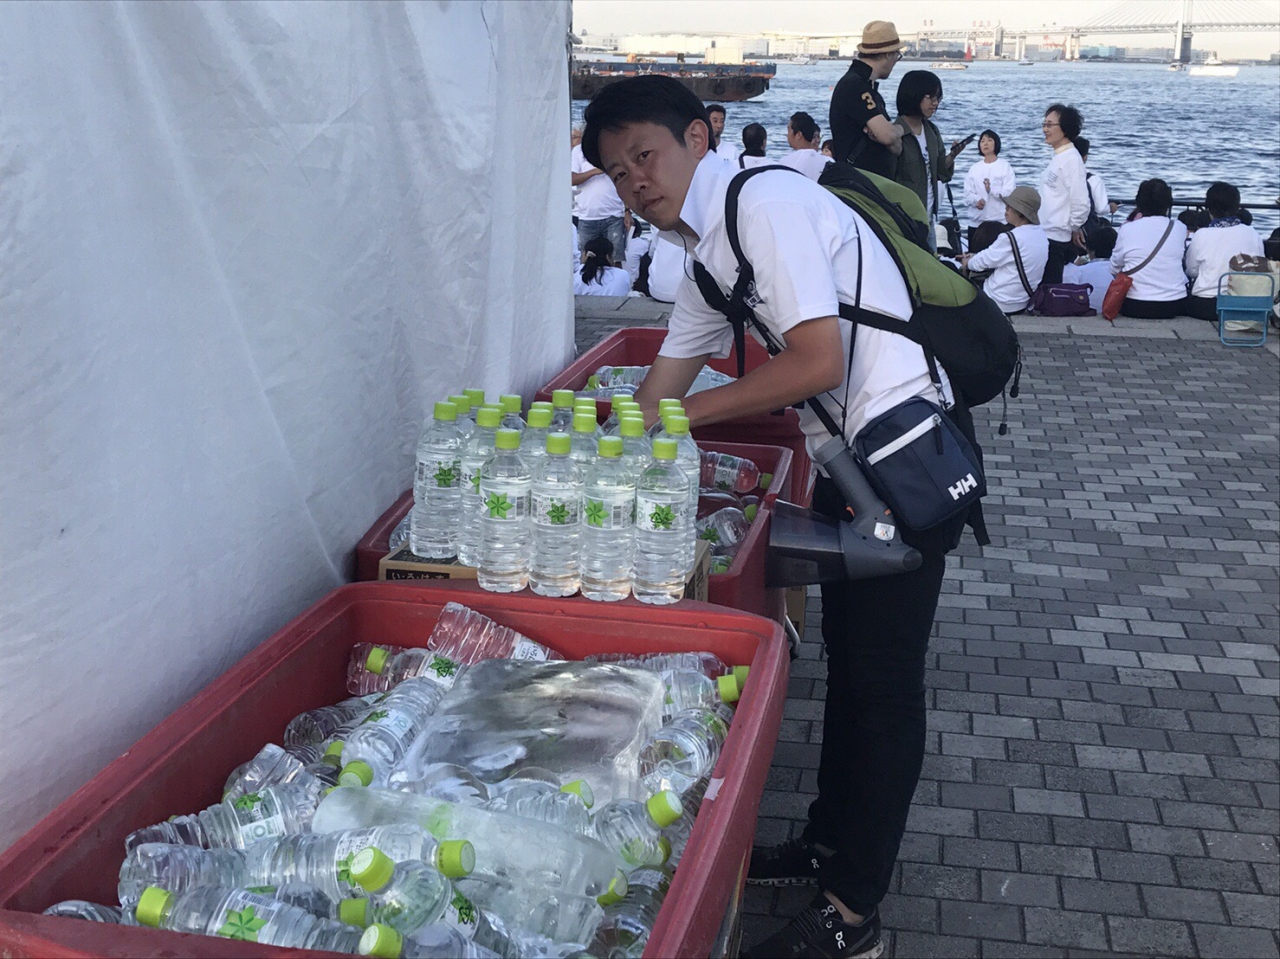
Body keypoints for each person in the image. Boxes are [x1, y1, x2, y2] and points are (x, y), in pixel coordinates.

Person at [583, 73, 971, 959]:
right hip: (846, 460)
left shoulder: (764, 205)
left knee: (883, 685)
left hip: (905, 451)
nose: (635, 182)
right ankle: (826, 842)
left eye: (644, 155)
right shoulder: (705, 254)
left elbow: (815, 361)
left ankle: (854, 912)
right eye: (617, 172)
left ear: (698, 137)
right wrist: (597, 458)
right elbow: (660, 389)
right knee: (849, 666)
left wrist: (680, 419)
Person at [890, 70, 966, 232]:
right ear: (914, 95)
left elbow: (939, 172)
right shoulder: (894, 133)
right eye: (931, 97)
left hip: (929, 216)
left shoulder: (931, 131)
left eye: (938, 98)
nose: (935, 103)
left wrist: (952, 155)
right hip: (904, 219)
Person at [828, 21, 906, 176]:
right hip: (858, 182)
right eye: (897, 56)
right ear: (888, 54)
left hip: (867, 181)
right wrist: (900, 129)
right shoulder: (855, 86)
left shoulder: (866, 87)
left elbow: (897, 147)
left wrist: (892, 133)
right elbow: (888, 136)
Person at [960, 186, 1048, 315]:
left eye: (1010, 206)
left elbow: (981, 262)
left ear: (1020, 213)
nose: (1006, 209)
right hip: (1023, 301)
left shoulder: (1010, 238)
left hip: (999, 300)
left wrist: (967, 262)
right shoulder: (1041, 235)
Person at [1184, 181, 1266, 321]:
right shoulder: (1252, 232)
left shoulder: (1202, 234)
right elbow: (1259, 267)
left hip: (1207, 305)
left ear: (1209, 208)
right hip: (1242, 302)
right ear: (1237, 207)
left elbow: (1191, 270)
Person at [1109, 178, 1189, 318]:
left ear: (1139, 202)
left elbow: (1114, 267)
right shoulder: (1179, 228)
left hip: (1135, 303)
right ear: (1168, 202)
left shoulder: (1127, 229)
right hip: (1174, 302)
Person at [1038, 103, 1090, 285]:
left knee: (1049, 288)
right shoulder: (1059, 157)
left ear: (1065, 128)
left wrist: (1070, 227)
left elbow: (1081, 203)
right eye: (1044, 124)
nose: (1045, 129)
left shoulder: (1072, 159)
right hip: (1045, 233)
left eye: (1050, 125)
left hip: (1056, 237)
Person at [572, 131, 627, 264]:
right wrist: (596, 171)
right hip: (587, 216)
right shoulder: (578, 151)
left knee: (616, 259)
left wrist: (627, 211)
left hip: (614, 214)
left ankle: (616, 279)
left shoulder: (615, 148)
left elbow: (626, 180)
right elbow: (572, 179)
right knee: (585, 261)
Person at [963, 129, 1017, 244]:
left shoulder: (1004, 166)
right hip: (977, 223)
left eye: (989, 140)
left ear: (996, 143)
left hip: (999, 222)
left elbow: (1009, 193)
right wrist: (977, 200)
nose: (985, 143)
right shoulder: (974, 168)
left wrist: (991, 190)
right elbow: (967, 194)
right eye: (982, 141)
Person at [1064, 225, 1117, 313]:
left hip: (1087, 311)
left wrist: (1075, 265)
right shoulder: (1123, 271)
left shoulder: (1080, 271)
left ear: (1090, 250)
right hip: (1115, 312)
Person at [780, 111, 834, 180]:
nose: (787, 135)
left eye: (789, 130)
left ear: (798, 135)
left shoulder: (786, 163)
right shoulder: (829, 161)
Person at [1074, 136, 1118, 217]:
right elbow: (1101, 209)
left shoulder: (1055, 176)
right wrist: (1110, 207)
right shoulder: (1093, 180)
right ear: (1085, 157)